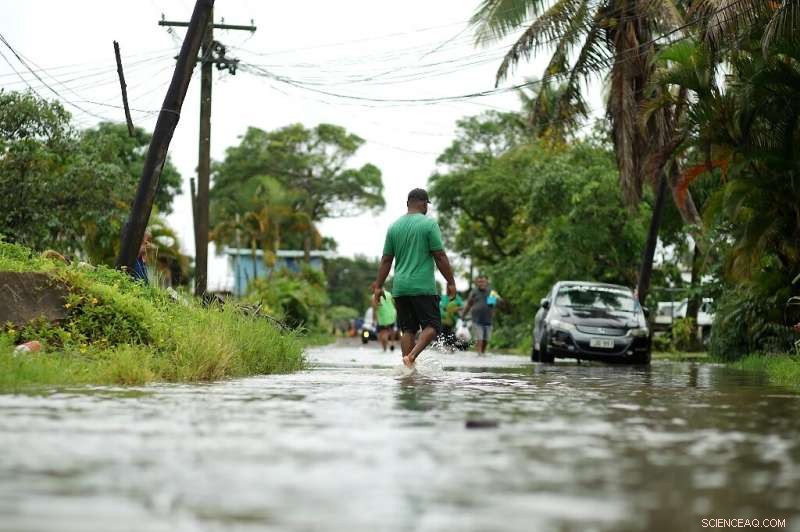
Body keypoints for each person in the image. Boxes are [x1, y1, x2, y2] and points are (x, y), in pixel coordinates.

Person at [372, 188, 457, 369]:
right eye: (427, 205)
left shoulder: (394, 227)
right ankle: (411, 357)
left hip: (400, 288)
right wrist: (450, 281)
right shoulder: (429, 224)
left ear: (408, 203)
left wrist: (378, 286)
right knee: (432, 326)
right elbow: (440, 255)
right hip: (422, 286)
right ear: (423, 203)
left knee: (408, 329)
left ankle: (407, 370)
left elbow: (386, 259)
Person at [463, 275, 499, 355]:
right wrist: (463, 315)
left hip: (488, 320)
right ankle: (479, 354)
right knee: (479, 338)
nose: (481, 283)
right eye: (479, 282)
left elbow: (492, 306)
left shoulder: (491, 292)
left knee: (486, 339)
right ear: (476, 283)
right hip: (476, 319)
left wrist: (493, 314)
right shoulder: (474, 292)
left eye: (483, 281)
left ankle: (482, 353)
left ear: (487, 282)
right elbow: (469, 304)